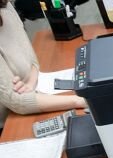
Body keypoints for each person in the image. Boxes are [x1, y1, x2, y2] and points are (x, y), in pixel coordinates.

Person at [0, 0, 86, 129]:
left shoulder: (5, 6)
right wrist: (81, 100)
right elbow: (17, 102)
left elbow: (32, 60)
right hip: (7, 123)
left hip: (32, 92)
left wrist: (30, 83)